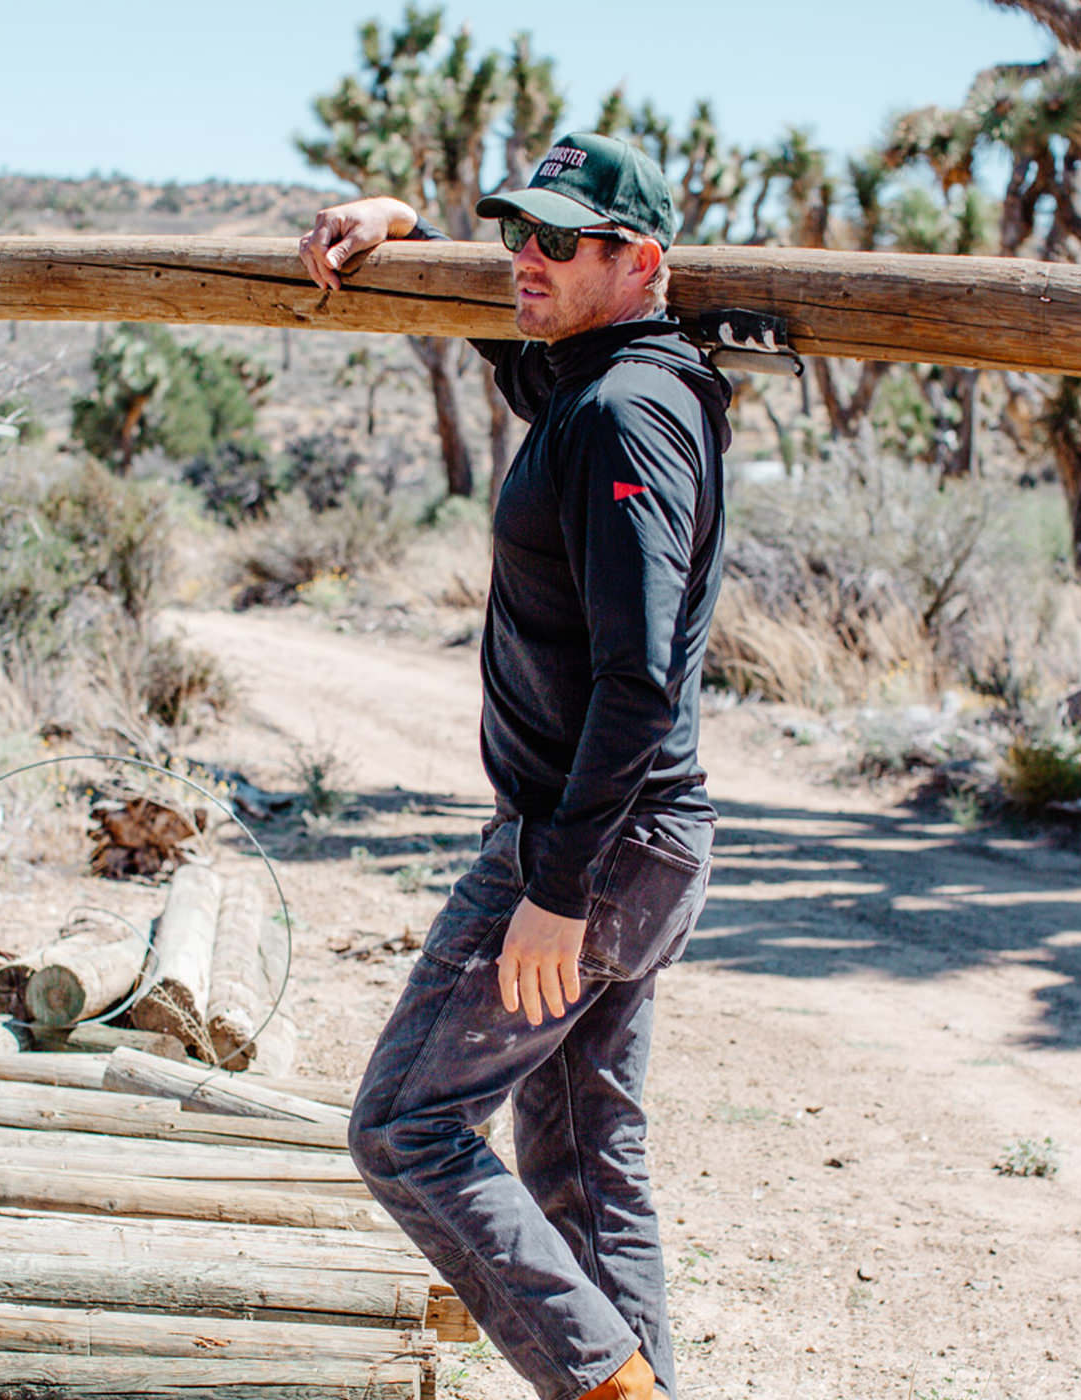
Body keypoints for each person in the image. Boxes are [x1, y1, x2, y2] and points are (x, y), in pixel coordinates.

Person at [297, 131, 731, 1400]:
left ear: (637, 259)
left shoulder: (624, 414)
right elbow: (534, 371)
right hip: (642, 849)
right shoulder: (621, 384)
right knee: (584, 1154)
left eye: (555, 241)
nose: (523, 261)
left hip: (589, 848)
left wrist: (552, 884)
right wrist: (408, 238)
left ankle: (609, 1387)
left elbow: (638, 676)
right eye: (513, 236)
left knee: (404, 1126)